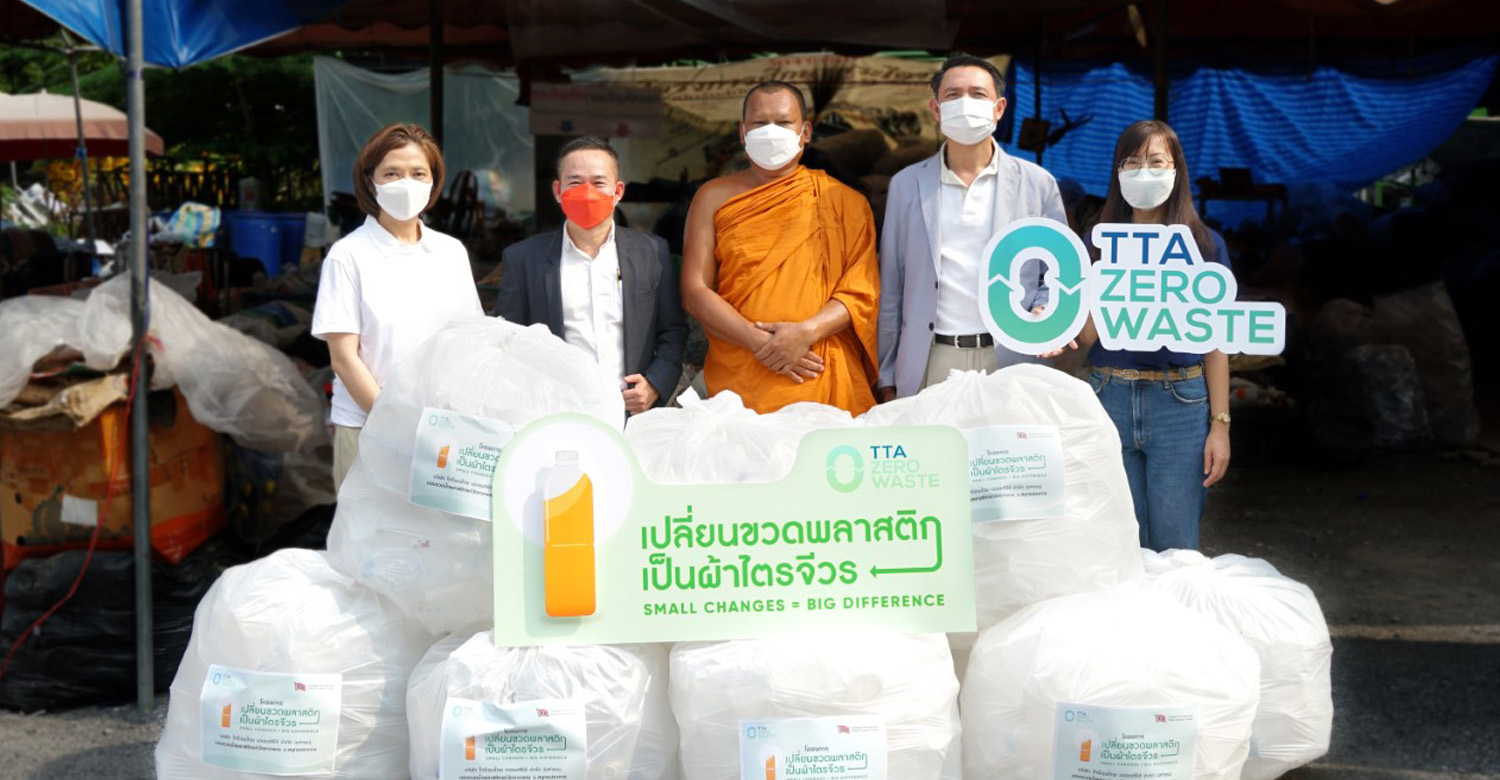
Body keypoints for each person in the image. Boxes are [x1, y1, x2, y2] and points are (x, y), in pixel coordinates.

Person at [1078, 119, 1232, 552]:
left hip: (1181, 405)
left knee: (1176, 548)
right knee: (1119, 547)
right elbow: (1088, 336)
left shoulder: (1204, 246)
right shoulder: (1096, 243)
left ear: (1177, 170)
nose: (1144, 172)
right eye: (1132, 162)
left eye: (1156, 162)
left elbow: (1215, 343)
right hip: (1108, 397)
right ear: (1117, 173)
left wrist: (1220, 426)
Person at [681, 80, 881, 415]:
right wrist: (761, 343)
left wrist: (806, 332)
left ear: (805, 132)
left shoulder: (845, 201)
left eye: (784, 122)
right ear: (743, 132)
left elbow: (862, 292)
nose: (771, 131)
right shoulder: (712, 197)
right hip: (741, 375)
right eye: (760, 123)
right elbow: (695, 291)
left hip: (817, 369)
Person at [877, 54, 1067, 401]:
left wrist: (1045, 312)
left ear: (999, 108)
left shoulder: (1037, 184)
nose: (965, 103)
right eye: (953, 95)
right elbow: (892, 285)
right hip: (931, 360)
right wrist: (887, 372)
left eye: (978, 94)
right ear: (936, 110)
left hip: (1012, 358)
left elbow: (1057, 272)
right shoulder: (906, 185)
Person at [311, 123, 482, 492]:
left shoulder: (450, 252)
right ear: (370, 181)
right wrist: (396, 426)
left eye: (418, 173)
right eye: (392, 173)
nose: (406, 183)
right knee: (368, 529)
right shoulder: (348, 256)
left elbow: (471, 341)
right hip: (369, 429)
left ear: (433, 181)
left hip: (444, 437)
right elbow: (344, 359)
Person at [493, 136, 686, 414]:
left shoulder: (652, 253)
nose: (586, 192)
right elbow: (508, 339)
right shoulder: (523, 258)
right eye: (575, 182)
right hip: (555, 413)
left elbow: (672, 331)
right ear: (558, 190)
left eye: (598, 182)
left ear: (618, 191)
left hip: (632, 411)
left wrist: (655, 384)